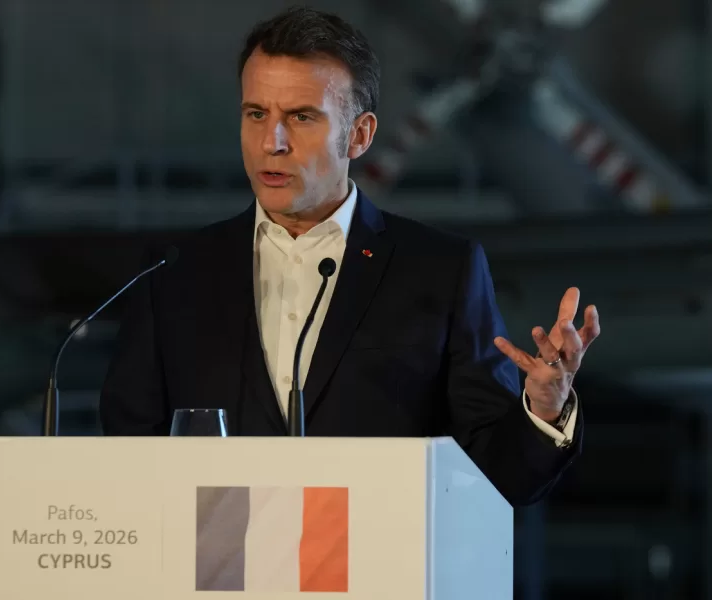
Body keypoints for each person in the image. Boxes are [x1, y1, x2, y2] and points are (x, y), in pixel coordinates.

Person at [100, 7, 601, 506]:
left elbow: (496, 478)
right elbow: (128, 458)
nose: (271, 142)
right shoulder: (172, 273)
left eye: (301, 118)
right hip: (218, 577)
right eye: (256, 114)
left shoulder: (440, 271)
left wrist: (542, 409)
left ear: (359, 135)